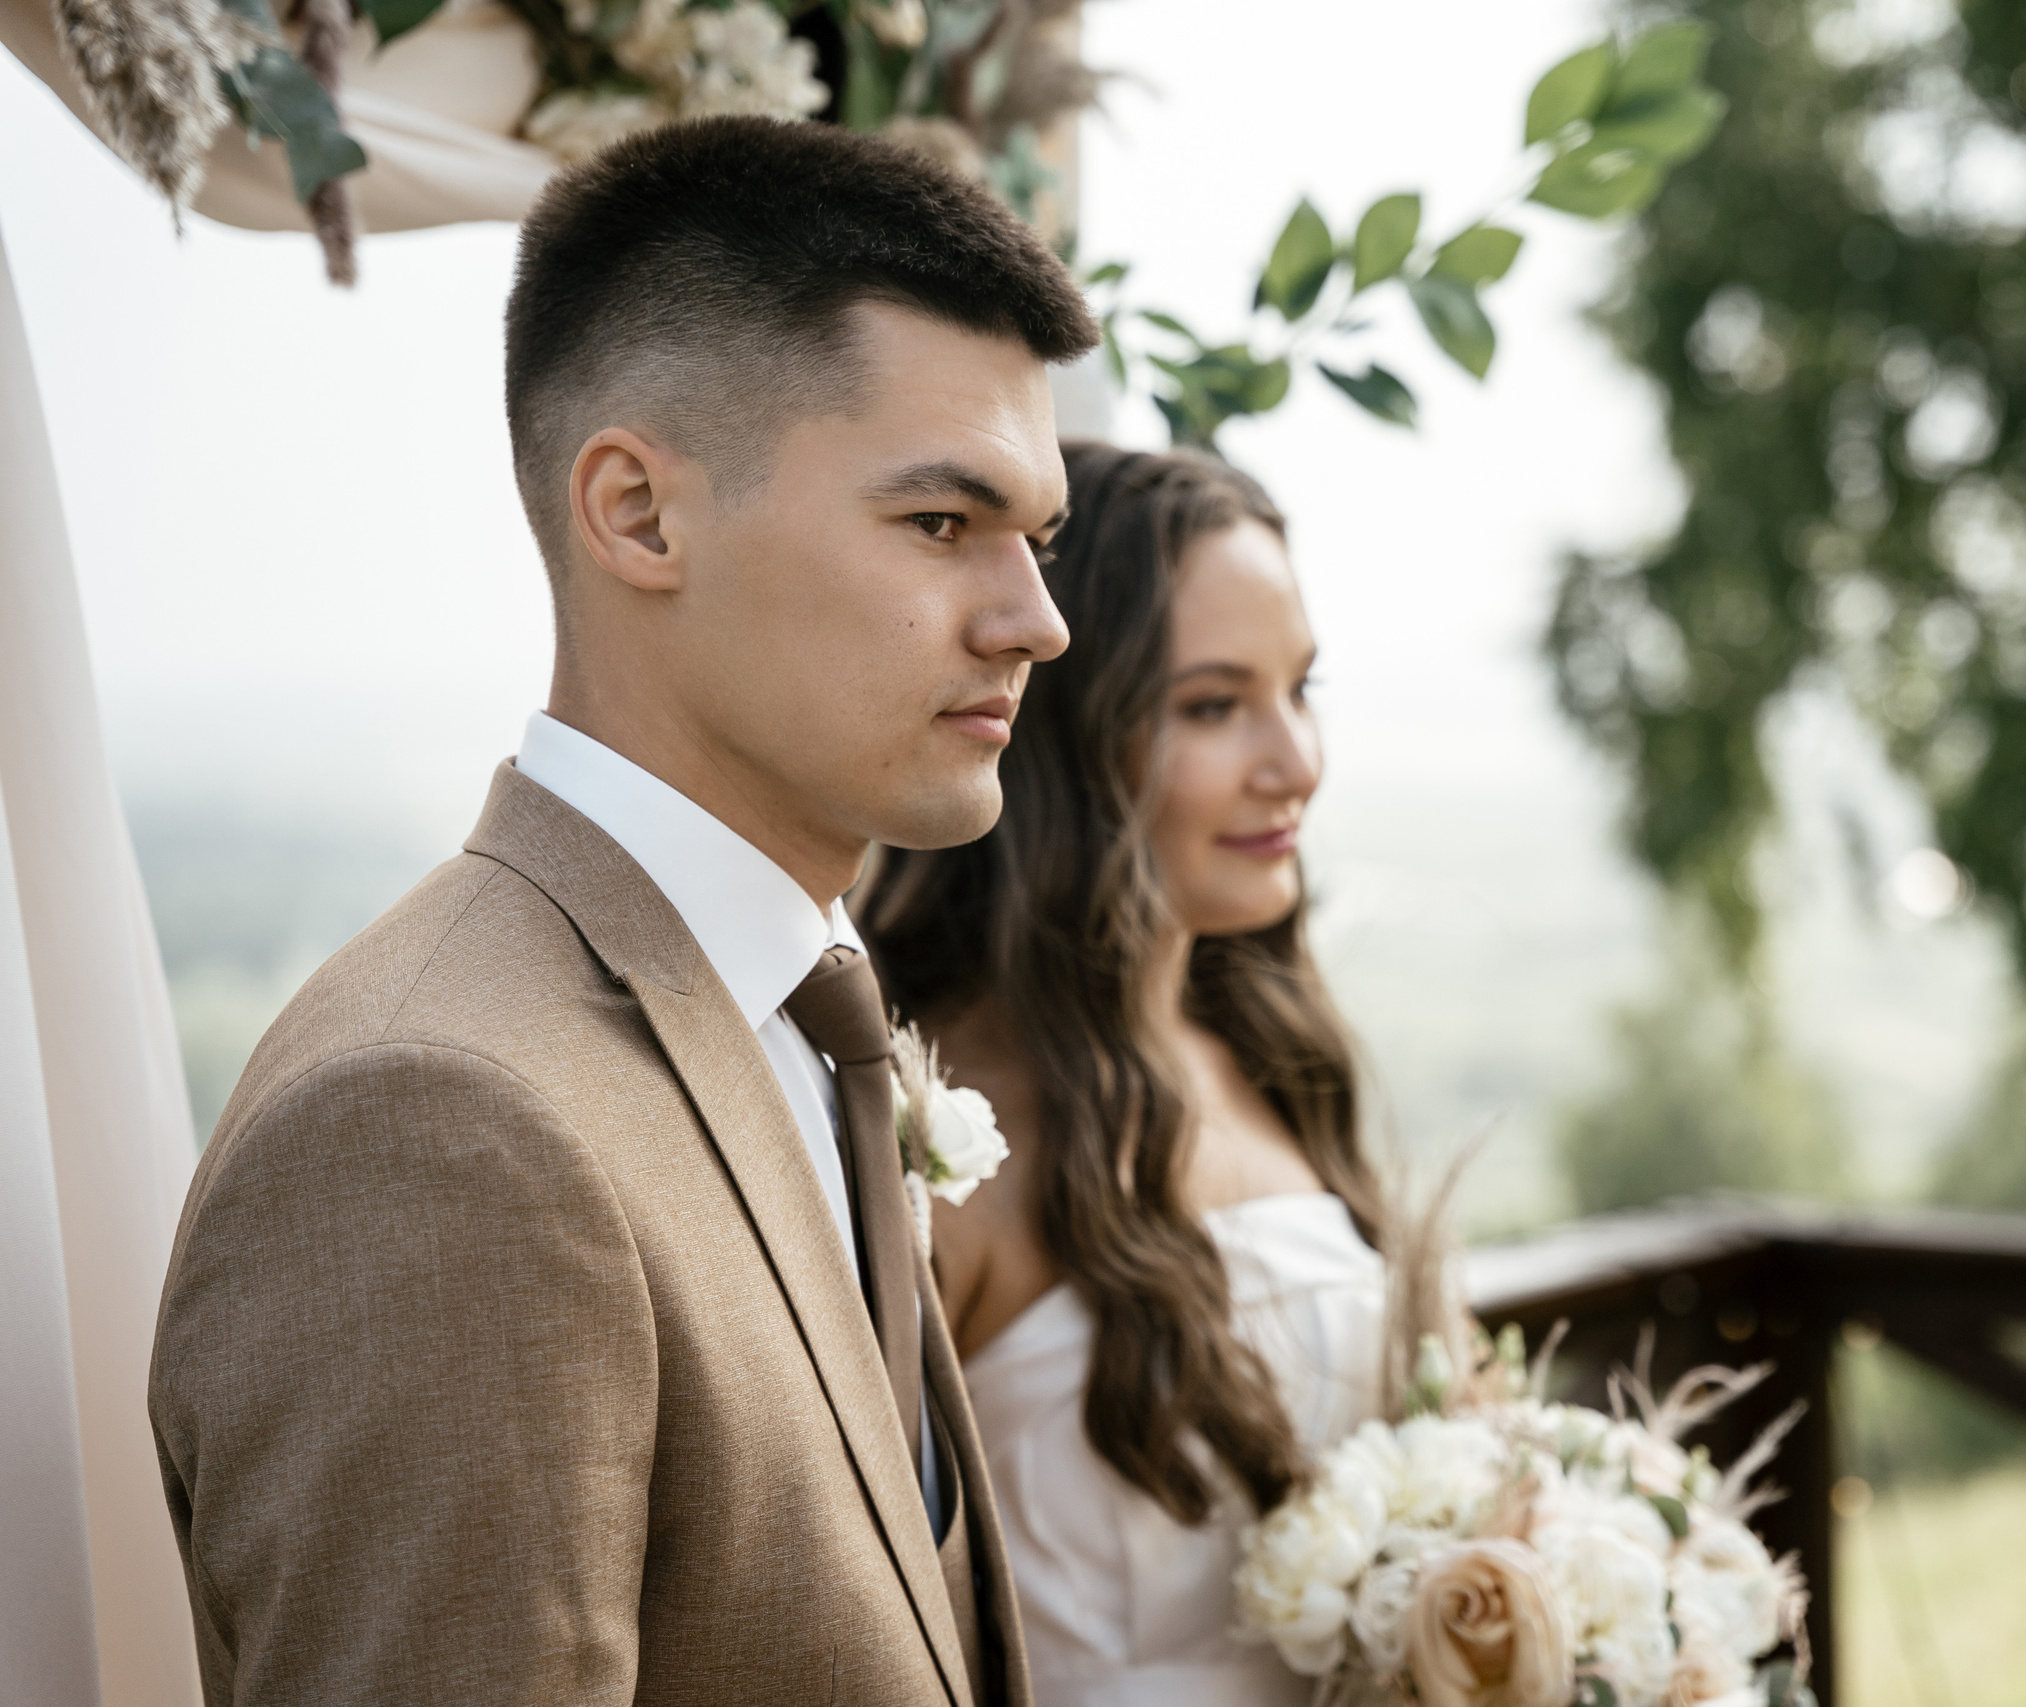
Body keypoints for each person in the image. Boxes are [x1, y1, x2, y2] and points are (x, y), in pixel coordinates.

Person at [148, 117, 1095, 1706]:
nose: (1037, 619)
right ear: (640, 515)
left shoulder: (809, 1019)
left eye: (1038, 536)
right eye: (942, 523)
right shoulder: (438, 1120)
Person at [862, 443, 1388, 1706]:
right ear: (1065, 729)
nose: (1294, 760)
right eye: (1213, 706)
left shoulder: (1272, 1053)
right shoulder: (940, 1140)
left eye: (1300, 688)